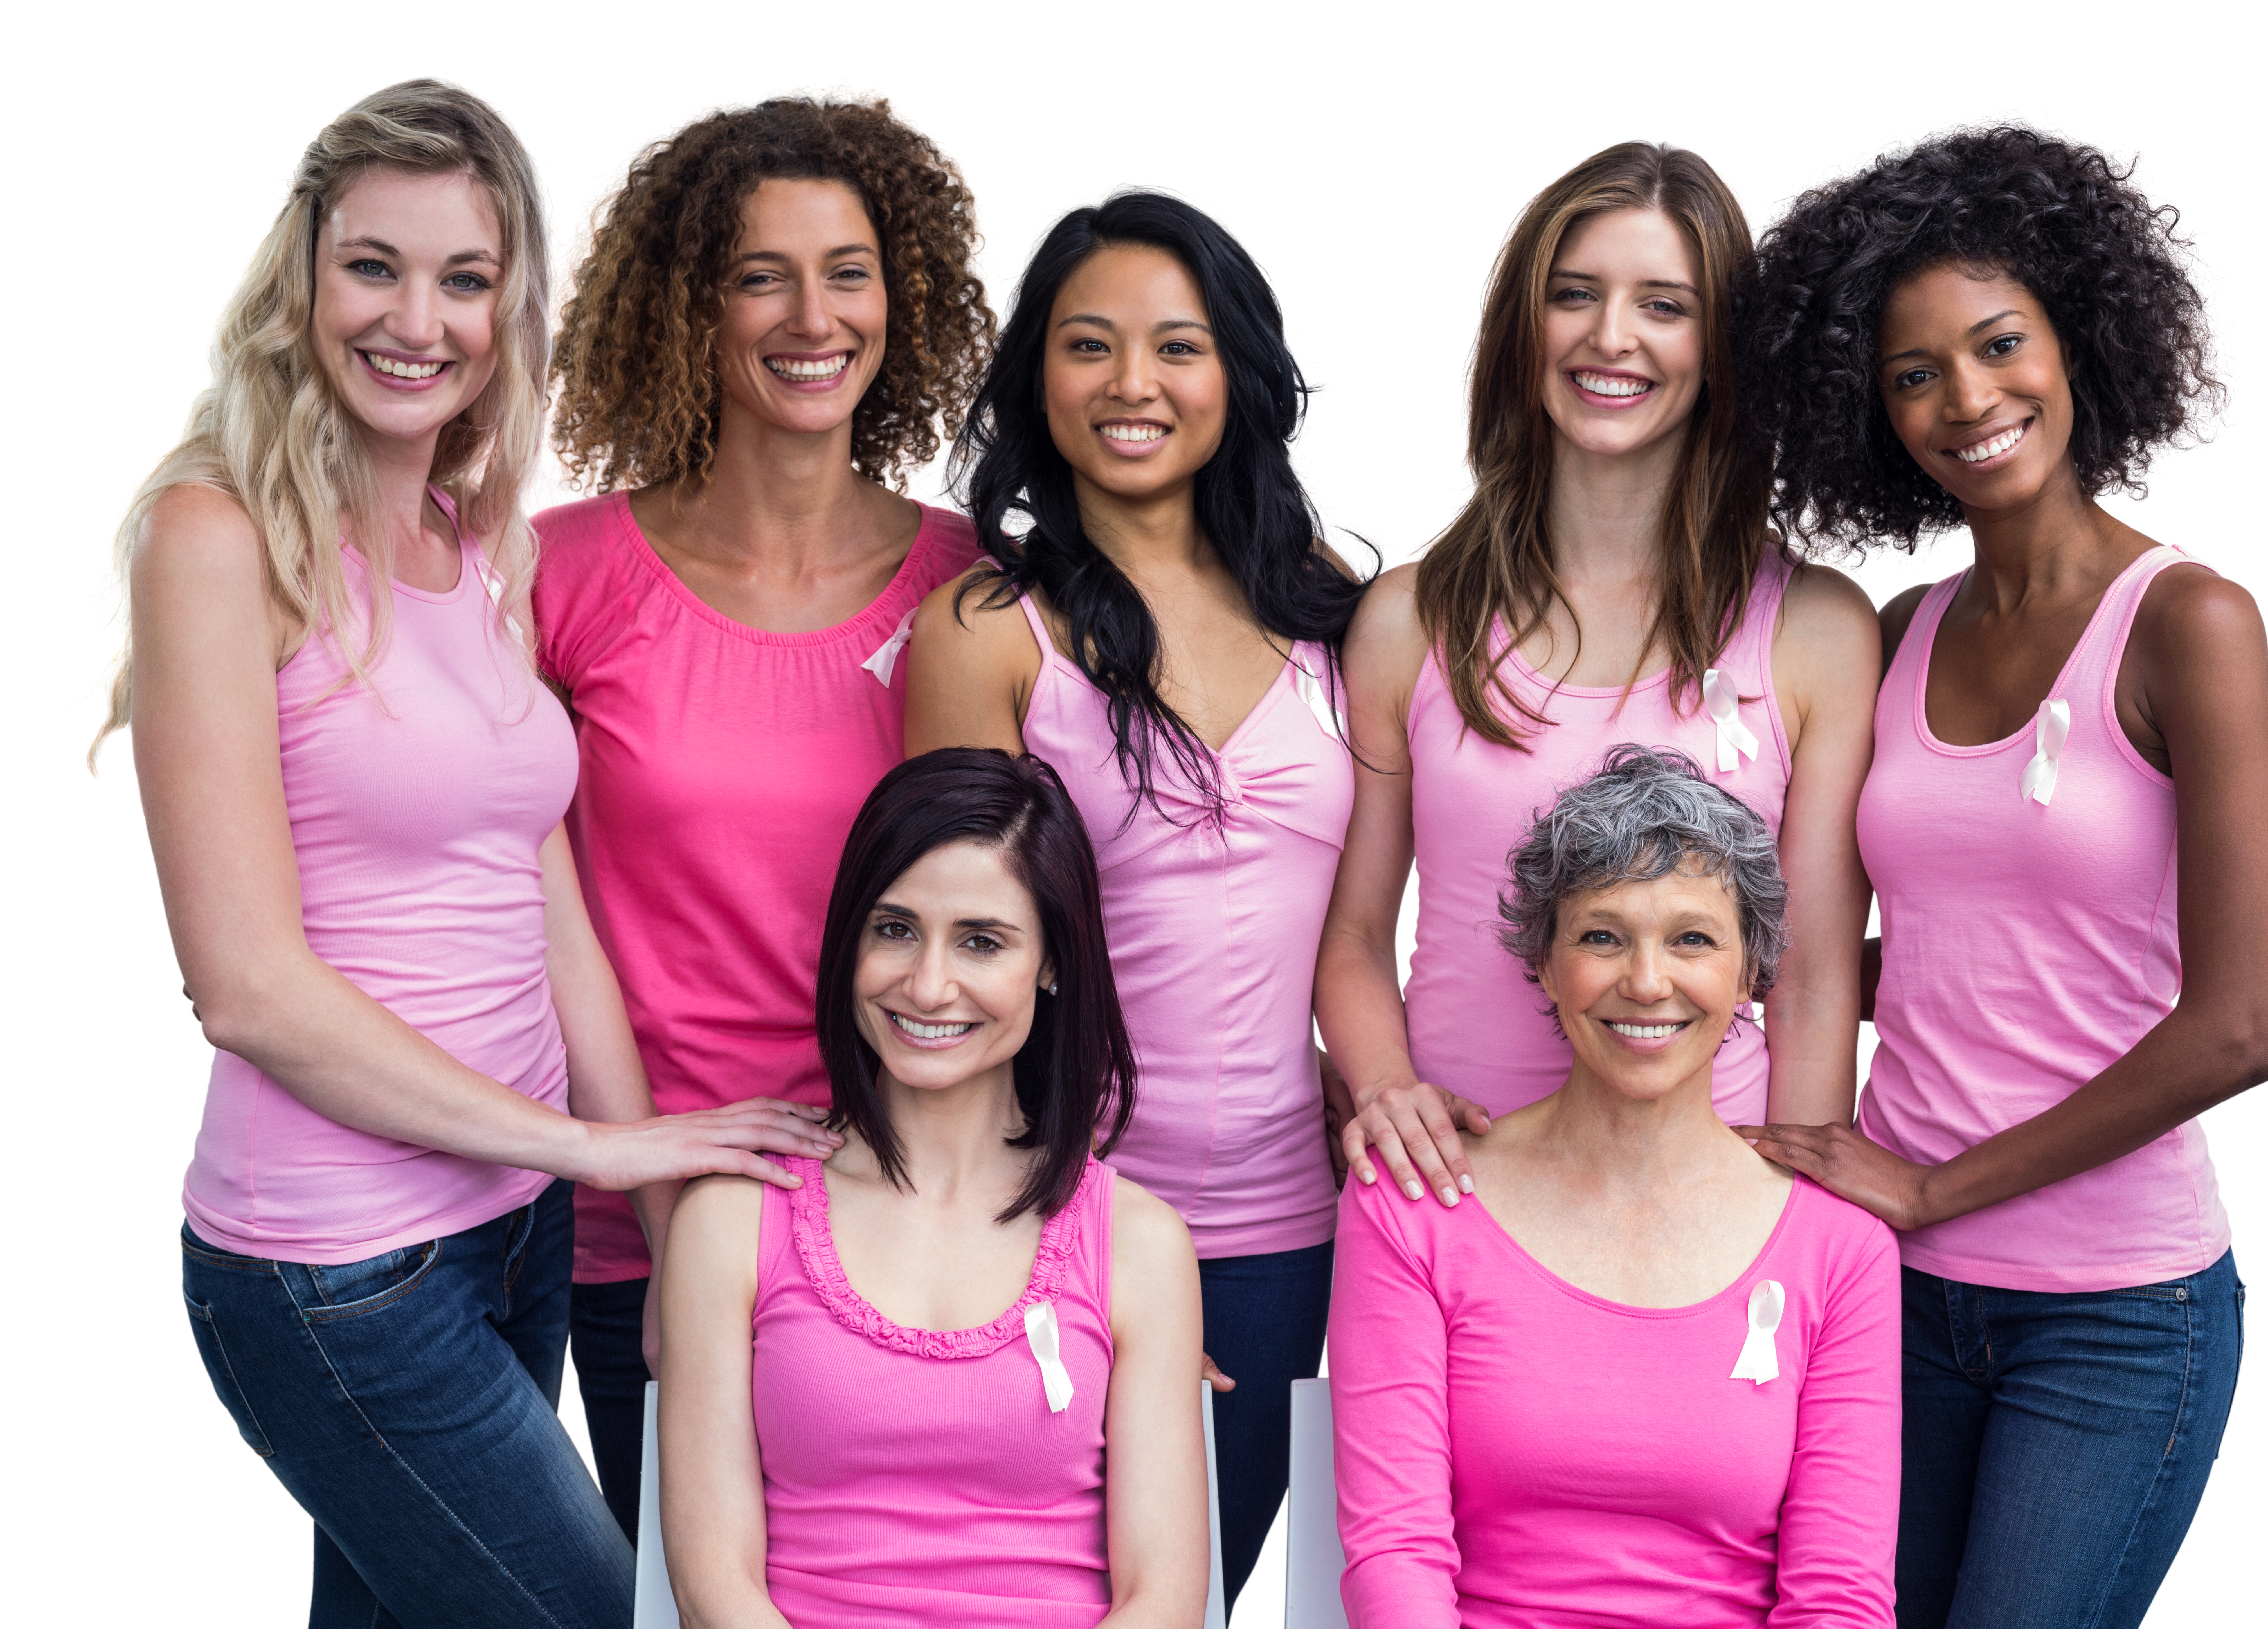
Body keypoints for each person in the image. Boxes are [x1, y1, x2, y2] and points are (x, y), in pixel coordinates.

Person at [104, 81, 832, 1628]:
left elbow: (539, 880)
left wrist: (636, 1190)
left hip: (509, 1241)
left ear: (513, 309)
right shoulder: (214, 538)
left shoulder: (469, 536)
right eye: (374, 266)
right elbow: (244, 987)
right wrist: (589, 1149)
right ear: (301, 279)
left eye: (465, 279)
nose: (415, 320)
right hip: (335, 1274)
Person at [1735, 127, 2268, 1629]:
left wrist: (1932, 1187)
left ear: (2076, 339)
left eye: (1997, 346)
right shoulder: (1906, 627)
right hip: (1900, 1298)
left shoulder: (2190, 624)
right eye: (1915, 373)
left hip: (2116, 1321)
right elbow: (1870, 942)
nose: (1967, 401)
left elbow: (2242, 1026)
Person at [536, 95, 995, 1538]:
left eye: (848, 270)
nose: (814, 315)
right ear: (690, 307)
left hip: (902, 1220)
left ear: (900, 298)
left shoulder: (974, 588)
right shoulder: (561, 576)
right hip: (630, 1222)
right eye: (760, 274)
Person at [904, 192, 1362, 1608]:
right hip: (1067, 1213)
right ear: (1039, 378)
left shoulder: (1333, 610)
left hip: (1292, 1230)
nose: (1133, 384)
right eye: (1088, 345)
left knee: (1198, 1594)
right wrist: (1066, 1249)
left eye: (1177, 346)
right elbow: (950, 968)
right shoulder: (991, 630)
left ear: (1237, 371)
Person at [1314, 142, 1879, 1216]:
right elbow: (1352, 935)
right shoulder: (1408, 619)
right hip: (1452, 1198)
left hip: (1710, 1204)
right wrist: (1388, 1094)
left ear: (1722, 347)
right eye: (1575, 295)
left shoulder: (1815, 629)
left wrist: (1796, 1217)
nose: (1610, 336)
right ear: (1525, 327)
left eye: (1663, 305)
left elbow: (1807, 976)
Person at [1331, 745, 1899, 1627]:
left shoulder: (1844, 1249)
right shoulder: (1415, 1206)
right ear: (1545, 963)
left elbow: (1840, 1600)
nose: (1645, 981)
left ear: (1751, 970)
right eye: (1602, 936)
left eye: (1692, 940)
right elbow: (1395, 1554)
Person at [659, 748, 1208, 1627]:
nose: (927, 985)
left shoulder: (1138, 1242)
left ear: (1053, 963)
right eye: (894, 929)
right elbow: (714, 1588)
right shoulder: (731, 1219)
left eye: (982, 942)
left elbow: (1165, 1602)